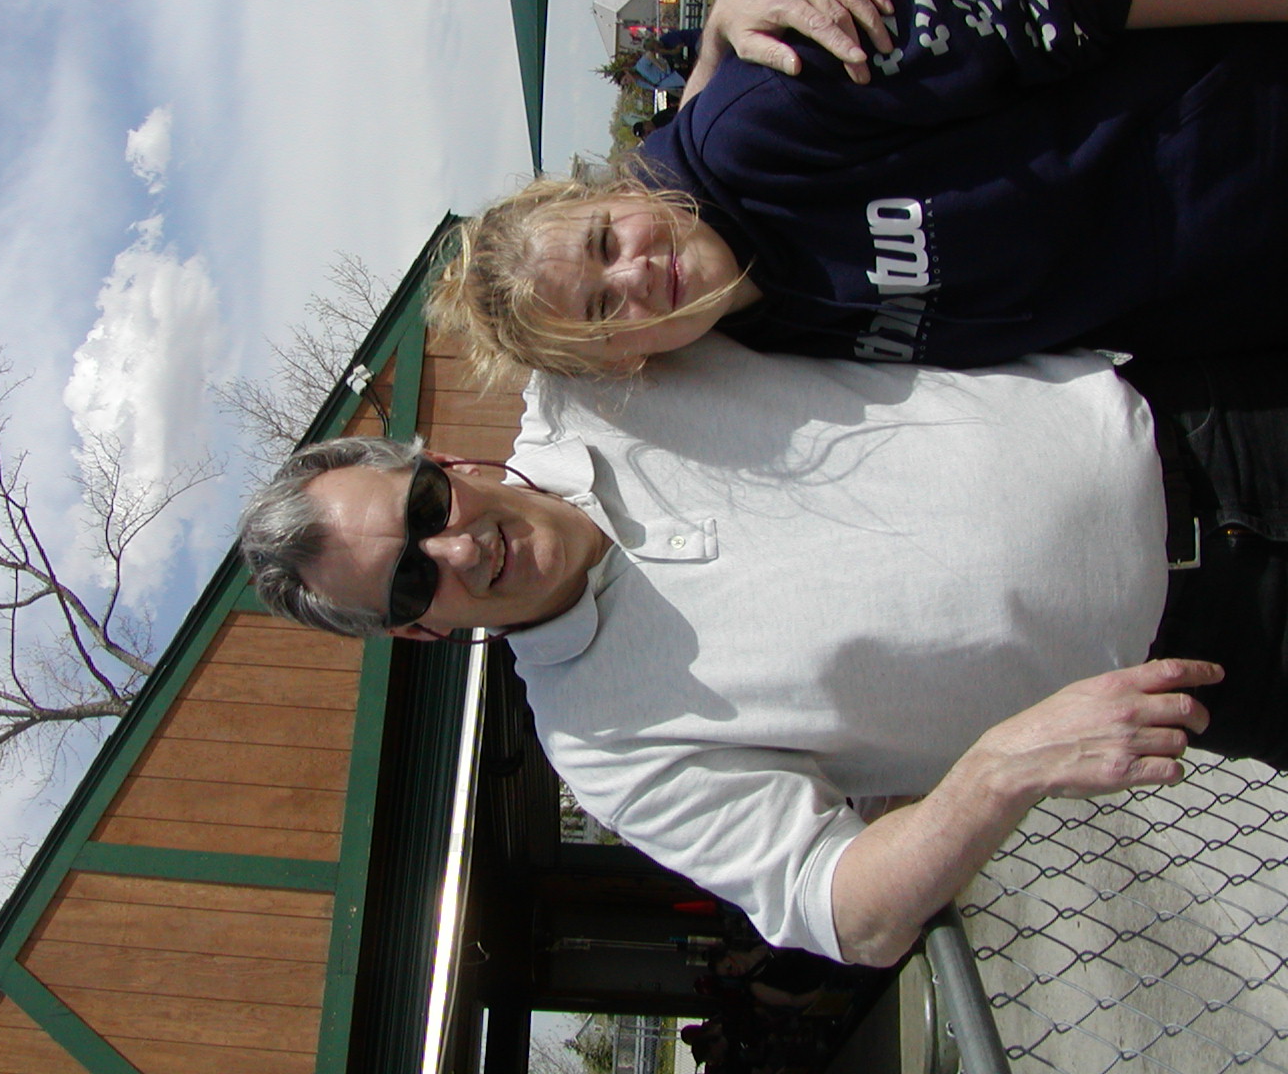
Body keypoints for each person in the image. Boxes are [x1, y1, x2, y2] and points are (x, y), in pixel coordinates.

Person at [237, 340, 1288, 965]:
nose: (459, 549)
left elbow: (708, 205)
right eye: (411, 583)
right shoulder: (605, 749)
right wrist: (998, 770)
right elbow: (844, 911)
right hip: (1223, 653)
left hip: (1207, 416)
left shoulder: (593, 374)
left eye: (425, 507)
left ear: (443, 460)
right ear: (417, 632)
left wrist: (718, 55)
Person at [427, 0, 1288, 382]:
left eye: (604, 242)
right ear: (622, 362)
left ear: (613, 194)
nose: (635, 277)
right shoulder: (754, 347)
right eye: (599, 313)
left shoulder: (767, 107)